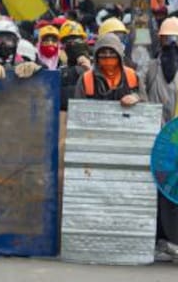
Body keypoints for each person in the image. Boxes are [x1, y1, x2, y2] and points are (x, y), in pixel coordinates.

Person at [145, 18, 178, 261]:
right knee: (155, 191)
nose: (172, 45)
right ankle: (159, 238)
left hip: (175, 142)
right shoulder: (150, 68)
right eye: (168, 40)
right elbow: (140, 93)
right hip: (154, 140)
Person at [74, 34, 140, 106]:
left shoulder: (132, 75)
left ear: (119, 55)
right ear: (97, 55)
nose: (108, 56)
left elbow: (145, 102)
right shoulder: (86, 79)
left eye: (112, 52)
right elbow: (78, 108)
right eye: (103, 52)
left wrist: (136, 97)